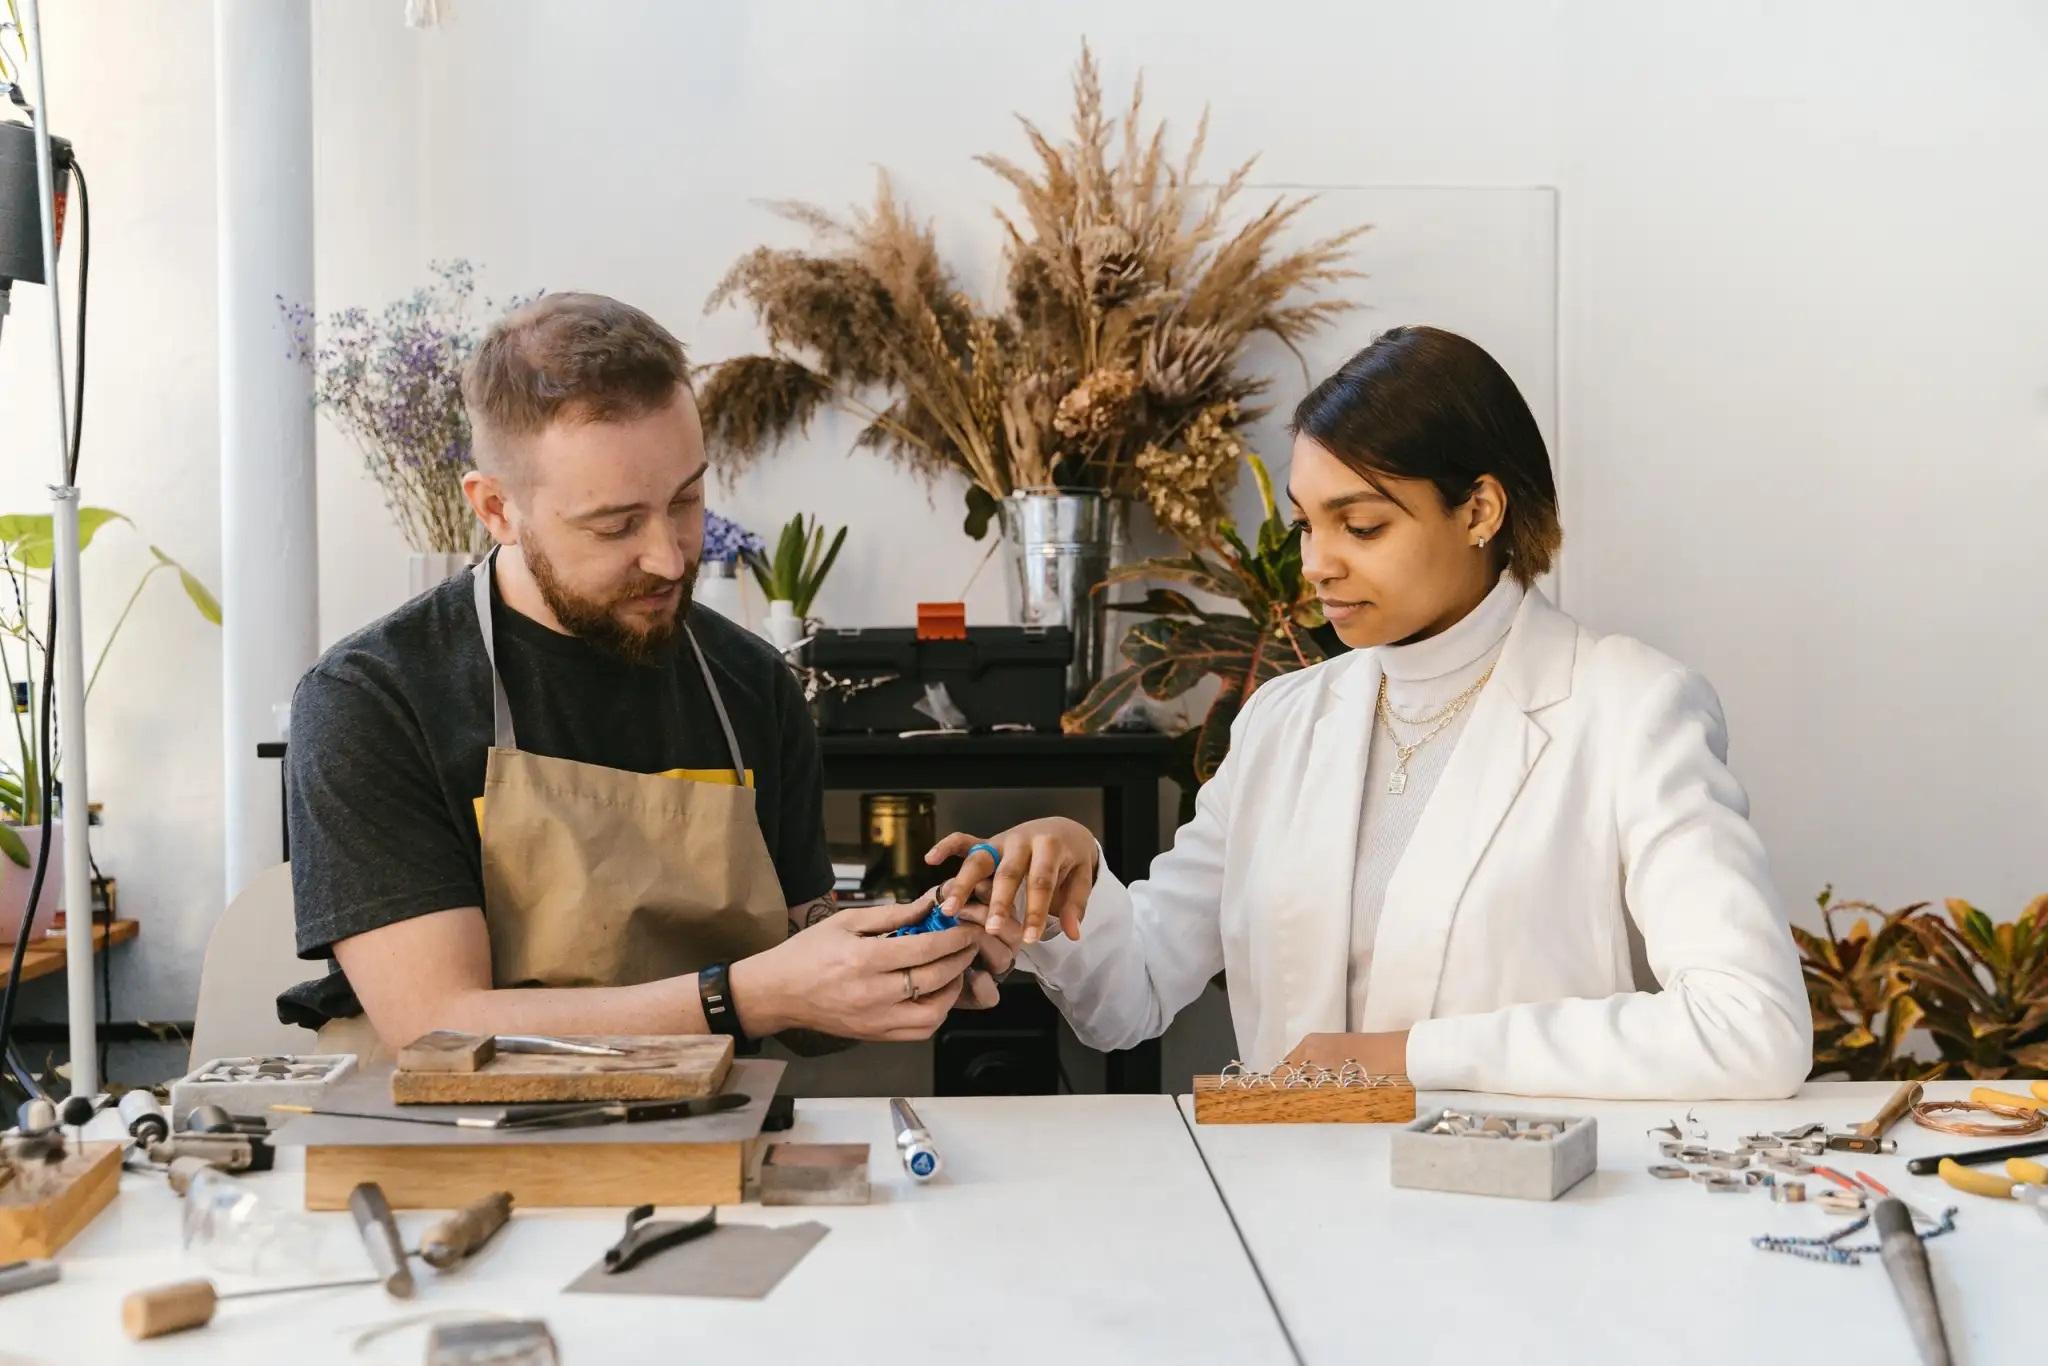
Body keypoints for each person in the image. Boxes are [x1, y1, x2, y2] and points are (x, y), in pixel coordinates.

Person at [932, 326, 1811, 1099]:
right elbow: (1135, 995)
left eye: (1360, 527)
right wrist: (1068, 878)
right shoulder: (1283, 721)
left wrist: (1407, 1058)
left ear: (1479, 510)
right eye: (1307, 526)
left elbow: (1751, 1025)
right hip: (1295, 1206)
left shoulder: (1628, 708)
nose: (1318, 563)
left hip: (1517, 1212)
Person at [279, 292, 991, 1058]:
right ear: (495, 510)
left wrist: (914, 957)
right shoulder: (374, 701)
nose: (670, 558)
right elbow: (438, 1027)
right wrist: (748, 997)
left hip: (712, 1126)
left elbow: (802, 1000)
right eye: (615, 525)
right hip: (450, 1130)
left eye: (686, 500)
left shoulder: (750, 682)